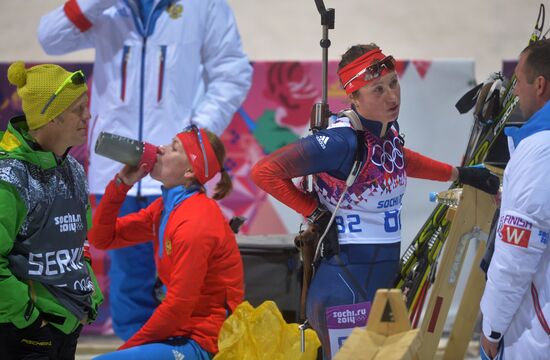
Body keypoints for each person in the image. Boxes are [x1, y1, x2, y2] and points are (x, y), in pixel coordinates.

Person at [251, 43, 499, 358]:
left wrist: (458, 173)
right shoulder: (340, 141)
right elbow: (264, 172)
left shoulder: (386, 133)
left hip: (378, 287)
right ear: (354, 97)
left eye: (393, 83)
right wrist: (316, 213)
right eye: (377, 89)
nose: (392, 96)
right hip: (344, 287)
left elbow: (399, 159)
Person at [38, 0, 252, 340]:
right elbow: (51, 38)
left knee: (184, 284)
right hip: (118, 166)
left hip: (172, 168)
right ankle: (134, 346)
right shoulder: (107, 8)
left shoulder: (204, 5)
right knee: (126, 282)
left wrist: (191, 140)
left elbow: (233, 72)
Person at [88, 126, 244, 359]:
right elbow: (102, 238)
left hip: (205, 344)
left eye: (173, 147)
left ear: (190, 170)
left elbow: (178, 308)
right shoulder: (165, 209)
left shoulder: (195, 222)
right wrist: (121, 184)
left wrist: (126, 349)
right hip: (179, 334)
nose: (159, 149)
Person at [0, 61, 103, 359]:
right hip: (25, 331)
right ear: (52, 118)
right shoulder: (9, 178)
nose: (88, 116)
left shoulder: (72, 168)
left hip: (69, 324)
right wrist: (31, 320)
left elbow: (79, 243)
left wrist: (91, 296)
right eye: (79, 109)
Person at [479, 39, 550, 360]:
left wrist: (492, 327)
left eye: (519, 81)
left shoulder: (539, 151)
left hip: (535, 330)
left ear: (540, 84)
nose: (515, 91)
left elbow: (514, 256)